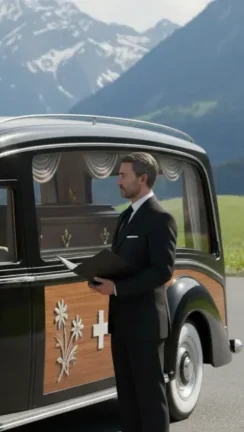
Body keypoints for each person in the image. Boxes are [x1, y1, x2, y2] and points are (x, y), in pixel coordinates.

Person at [92, 152, 177, 432]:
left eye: (123, 175)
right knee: (127, 398)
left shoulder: (160, 218)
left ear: (143, 179)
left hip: (146, 325)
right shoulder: (126, 216)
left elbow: (161, 271)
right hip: (122, 323)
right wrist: (99, 275)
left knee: (150, 399)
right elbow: (124, 262)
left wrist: (116, 288)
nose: (118, 181)